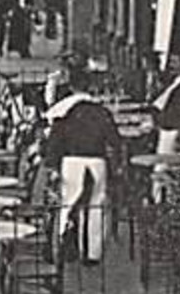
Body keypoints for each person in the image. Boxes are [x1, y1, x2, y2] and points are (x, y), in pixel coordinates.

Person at [42, 80, 125, 265]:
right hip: (97, 162)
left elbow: (54, 144)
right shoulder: (101, 112)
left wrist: (52, 167)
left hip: (71, 163)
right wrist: (116, 164)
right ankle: (92, 253)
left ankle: (63, 243)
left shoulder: (64, 112)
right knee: (96, 205)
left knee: (67, 204)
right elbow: (114, 140)